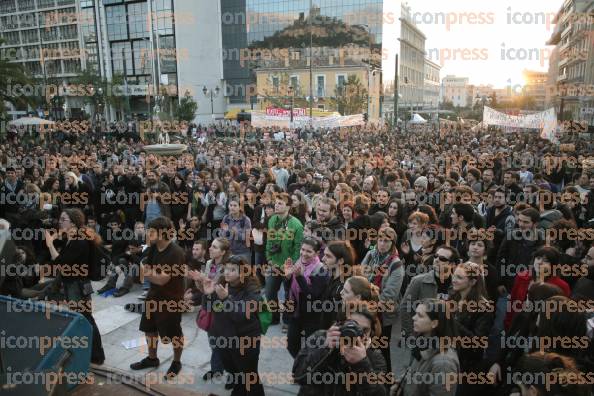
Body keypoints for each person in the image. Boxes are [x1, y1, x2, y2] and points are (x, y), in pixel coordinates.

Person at [43, 208, 106, 365]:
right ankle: (92, 354)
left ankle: (97, 356)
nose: (60, 222)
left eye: (63, 219)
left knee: (85, 319)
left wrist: (50, 244)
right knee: (83, 318)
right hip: (73, 284)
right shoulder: (71, 238)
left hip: (77, 286)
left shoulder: (78, 241)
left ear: (73, 223)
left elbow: (61, 263)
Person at [293, 301, 390, 396]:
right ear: (339, 325)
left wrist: (362, 364)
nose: (357, 335)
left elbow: (379, 393)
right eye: (353, 327)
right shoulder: (321, 338)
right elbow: (298, 376)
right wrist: (324, 349)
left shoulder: (374, 356)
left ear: (371, 333)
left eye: (364, 330)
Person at [130, 216, 186, 379]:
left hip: (171, 299)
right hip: (153, 296)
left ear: (162, 233)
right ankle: (152, 358)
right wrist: (147, 271)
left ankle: (176, 362)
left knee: (174, 334)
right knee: (149, 329)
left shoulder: (175, 252)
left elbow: (162, 279)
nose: (148, 234)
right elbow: (148, 272)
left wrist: (145, 271)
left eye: (152, 231)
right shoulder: (154, 248)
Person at [201, 255, 265, 396]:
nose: (227, 273)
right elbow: (208, 308)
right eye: (226, 269)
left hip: (245, 341)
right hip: (224, 339)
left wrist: (226, 299)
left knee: (249, 377)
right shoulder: (222, 284)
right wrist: (208, 294)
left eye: (232, 270)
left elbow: (242, 315)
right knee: (235, 374)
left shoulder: (253, 290)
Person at [391, 299, 460, 396]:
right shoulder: (423, 345)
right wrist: (401, 385)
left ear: (434, 323)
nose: (414, 318)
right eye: (415, 314)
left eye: (420, 316)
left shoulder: (443, 364)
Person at [360, 227, 404, 372]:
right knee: (364, 349)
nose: (382, 244)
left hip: (383, 315)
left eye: (387, 241)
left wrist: (369, 305)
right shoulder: (371, 255)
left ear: (393, 243)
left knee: (381, 352)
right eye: (380, 240)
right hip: (365, 310)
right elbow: (360, 278)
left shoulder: (396, 264)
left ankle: (387, 383)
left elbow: (389, 295)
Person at [187, 237, 231, 381]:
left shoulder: (228, 268)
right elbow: (203, 290)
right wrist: (198, 281)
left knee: (223, 342)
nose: (210, 249)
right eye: (211, 246)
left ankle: (231, 373)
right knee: (213, 340)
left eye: (215, 247)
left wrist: (205, 280)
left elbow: (219, 289)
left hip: (222, 306)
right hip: (208, 304)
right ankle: (216, 369)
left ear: (223, 252)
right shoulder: (209, 263)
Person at [450, 262, 494, 396]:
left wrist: (453, 322)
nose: (453, 279)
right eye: (453, 275)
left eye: (459, 277)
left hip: (467, 365)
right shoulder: (454, 296)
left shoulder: (483, 307)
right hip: (448, 357)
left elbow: (478, 342)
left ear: (473, 282)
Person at [283, 238, 329, 358]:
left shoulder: (321, 270)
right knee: (291, 345)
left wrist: (299, 277)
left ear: (317, 253)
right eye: (302, 249)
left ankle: (306, 371)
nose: (304, 253)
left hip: (312, 316)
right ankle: (300, 366)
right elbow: (289, 290)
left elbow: (312, 295)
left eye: (309, 251)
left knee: (311, 350)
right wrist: (287, 277)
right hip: (296, 313)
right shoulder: (298, 263)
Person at [505, 246, 570, 329]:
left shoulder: (562, 286)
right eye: (538, 258)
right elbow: (512, 301)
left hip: (541, 330)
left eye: (546, 261)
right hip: (517, 325)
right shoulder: (522, 276)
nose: (540, 262)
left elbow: (560, 316)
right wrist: (508, 323)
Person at [265, 192, 304, 325]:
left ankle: (287, 321)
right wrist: (269, 259)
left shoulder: (296, 224)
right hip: (273, 263)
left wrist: (290, 267)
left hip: (288, 266)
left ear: (288, 207)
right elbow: (269, 241)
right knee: (269, 291)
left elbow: (298, 248)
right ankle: (274, 317)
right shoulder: (272, 220)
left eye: (280, 203)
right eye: (276, 203)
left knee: (289, 295)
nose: (276, 205)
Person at [319, 241, 357, 329]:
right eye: (324, 254)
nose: (323, 259)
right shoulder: (332, 277)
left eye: (328, 256)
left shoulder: (345, 286)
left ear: (340, 261)